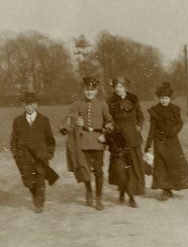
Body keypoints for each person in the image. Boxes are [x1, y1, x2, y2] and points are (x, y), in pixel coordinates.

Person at [63, 77, 113, 210]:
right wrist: (74, 122)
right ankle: (89, 191)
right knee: (84, 170)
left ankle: (99, 198)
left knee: (98, 171)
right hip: (83, 141)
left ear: (96, 91)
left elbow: (109, 120)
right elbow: (69, 118)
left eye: (92, 90)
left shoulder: (102, 104)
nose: (89, 92)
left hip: (98, 141)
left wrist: (106, 133)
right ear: (83, 90)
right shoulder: (77, 103)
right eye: (87, 90)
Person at [144, 82, 188, 200]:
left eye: (166, 98)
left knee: (174, 164)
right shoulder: (154, 111)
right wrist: (147, 145)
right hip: (159, 141)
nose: (164, 101)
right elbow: (152, 129)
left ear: (169, 98)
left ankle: (171, 188)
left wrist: (174, 131)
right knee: (161, 165)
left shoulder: (175, 110)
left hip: (173, 141)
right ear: (159, 98)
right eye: (162, 98)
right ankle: (164, 191)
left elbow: (180, 123)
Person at [10, 92, 59, 213]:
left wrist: (50, 152)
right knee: (29, 182)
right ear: (23, 105)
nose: (29, 107)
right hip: (25, 159)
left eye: (31, 104)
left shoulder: (44, 120)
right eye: (26, 104)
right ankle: (36, 196)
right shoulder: (18, 121)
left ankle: (39, 203)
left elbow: (50, 139)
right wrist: (16, 155)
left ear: (36, 105)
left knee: (40, 179)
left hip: (40, 158)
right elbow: (13, 141)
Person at [106, 77, 145, 208]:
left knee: (132, 169)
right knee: (120, 170)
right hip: (117, 139)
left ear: (125, 87)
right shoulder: (110, 101)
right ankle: (122, 189)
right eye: (116, 86)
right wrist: (109, 126)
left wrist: (139, 126)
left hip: (132, 139)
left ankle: (131, 197)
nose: (118, 89)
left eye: (121, 86)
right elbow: (107, 118)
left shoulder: (133, 99)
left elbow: (141, 116)